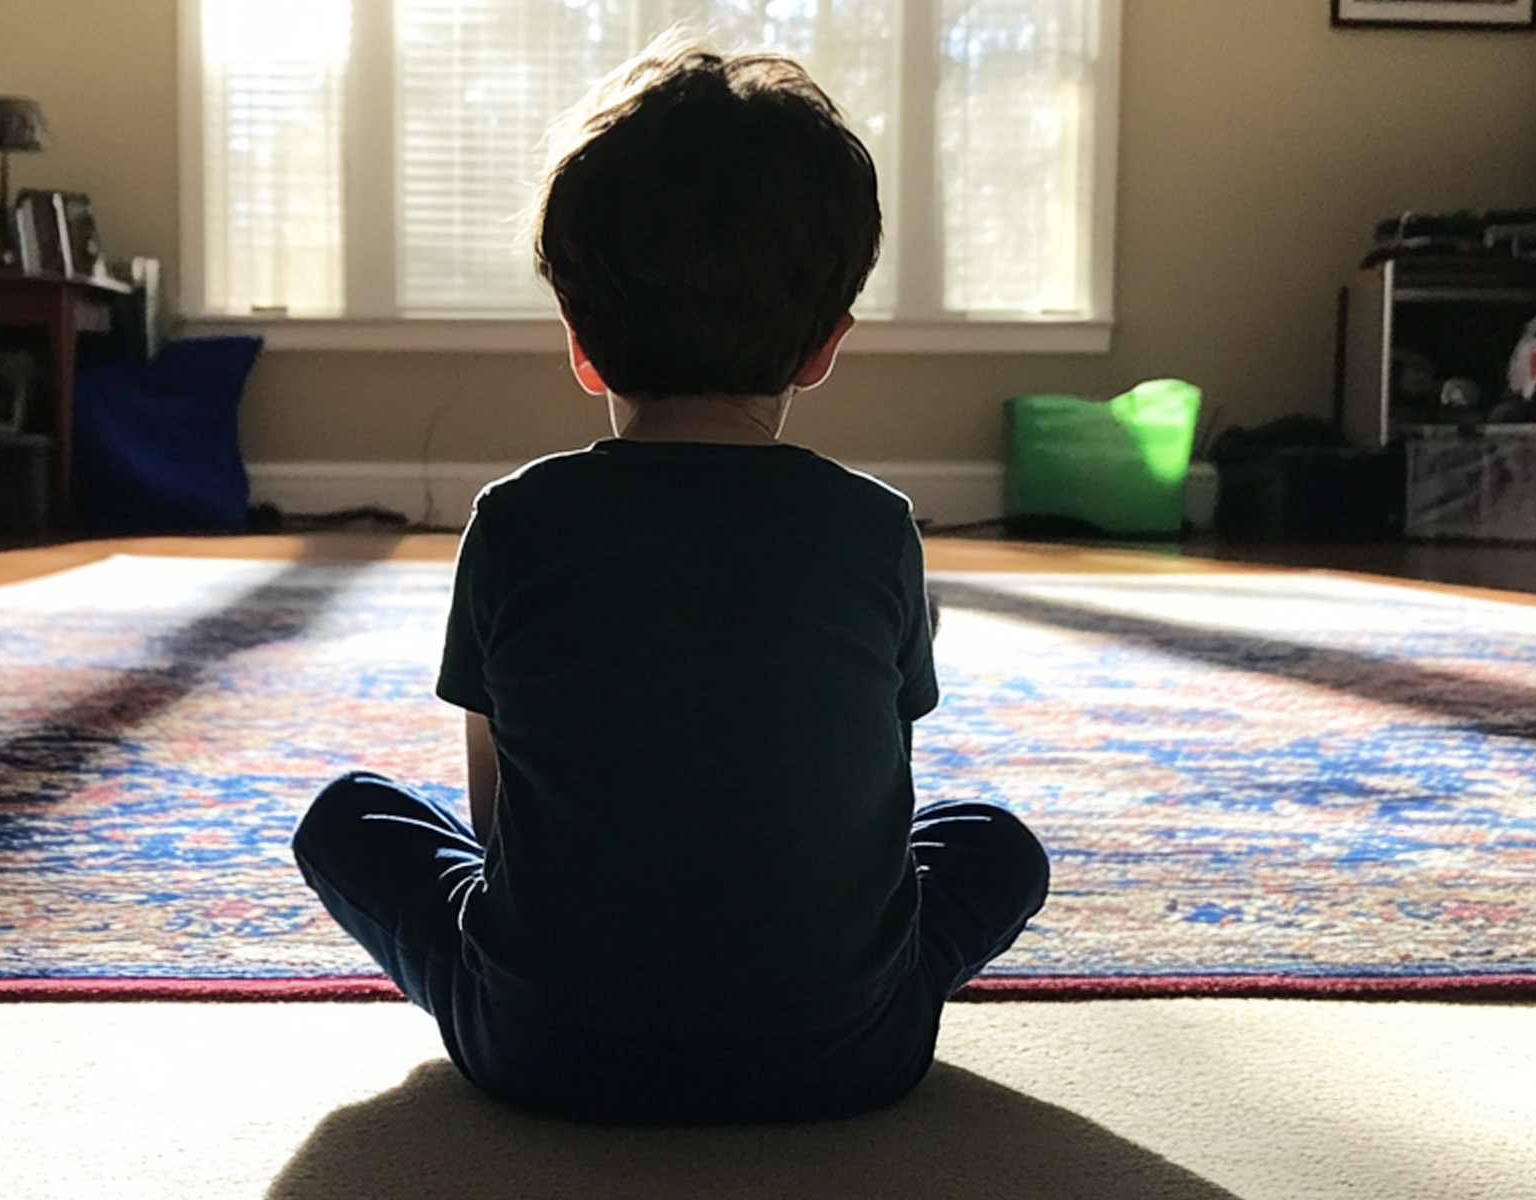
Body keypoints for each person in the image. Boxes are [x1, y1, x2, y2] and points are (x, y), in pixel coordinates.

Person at [290, 32, 1049, 1126]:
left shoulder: (514, 522)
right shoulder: (880, 529)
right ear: (825, 344)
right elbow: (878, 820)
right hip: (847, 1057)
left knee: (349, 818)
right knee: (989, 842)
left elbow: (500, 826)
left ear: (580, 341)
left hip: (544, 1049)